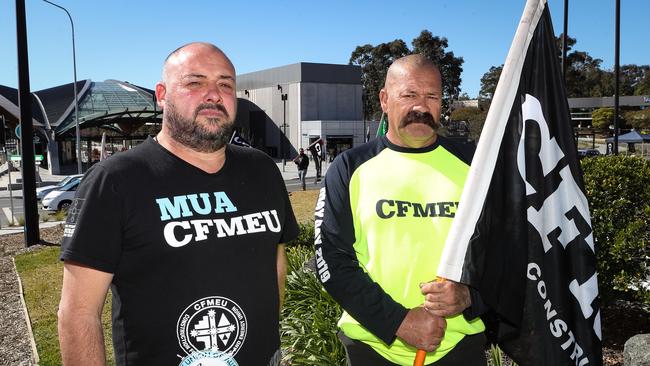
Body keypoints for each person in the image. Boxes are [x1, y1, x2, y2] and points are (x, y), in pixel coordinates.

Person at [57, 42, 299, 366]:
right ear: (162, 94)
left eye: (225, 84)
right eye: (195, 82)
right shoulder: (115, 181)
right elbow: (78, 313)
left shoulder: (262, 170)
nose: (214, 94)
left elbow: (276, 262)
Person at [315, 54, 487, 365]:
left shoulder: (476, 164)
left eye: (432, 96)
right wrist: (399, 321)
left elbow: (508, 246)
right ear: (384, 99)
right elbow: (331, 259)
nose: (421, 107)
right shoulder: (349, 167)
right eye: (409, 95)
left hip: (460, 345)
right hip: (373, 346)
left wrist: (471, 296)